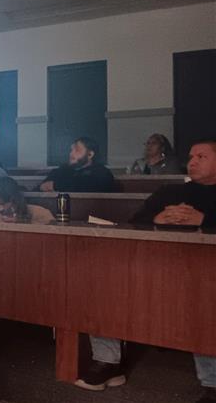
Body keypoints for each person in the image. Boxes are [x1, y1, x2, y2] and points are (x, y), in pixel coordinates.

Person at [75, 139, 216, 402]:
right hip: (154, 266)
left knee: (207, 301)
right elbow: (136, 221)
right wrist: (156, 219)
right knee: (105, 285)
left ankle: (212, 383)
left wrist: (204, 220)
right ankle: (108, 362)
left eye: (201, 156)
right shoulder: (169, 192)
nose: (192, 161)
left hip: (204, 272)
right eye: (190, 156)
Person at [38, 137, 116, 192]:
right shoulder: (62, 170)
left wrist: (56, 186)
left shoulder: (101, 172)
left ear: (90, 154)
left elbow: (87, 187)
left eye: (77, 150)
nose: (71, 153)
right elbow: (41, 187)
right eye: (71, 150)